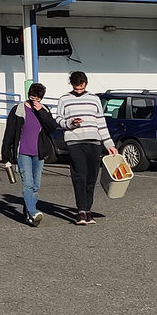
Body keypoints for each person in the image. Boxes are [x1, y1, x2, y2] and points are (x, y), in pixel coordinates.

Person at [56, 71, 118, 225]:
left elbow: (101, 122)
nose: (79, 91)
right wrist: (70, 123)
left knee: (92, 177)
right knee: (80, 175)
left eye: (81, 88)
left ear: (86, 84)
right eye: (76, 88)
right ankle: (81, 211)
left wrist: (109, 144)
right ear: (71, 84)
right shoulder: (64, 99)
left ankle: (88, 210)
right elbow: (58, 119)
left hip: (94, 142)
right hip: (74, 142)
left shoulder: (94, 99)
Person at [1, 82, 61, 226]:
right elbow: (9, 134)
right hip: (23, 152)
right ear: (29, 95)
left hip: (39, 153)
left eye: (39, 98)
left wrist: (41, 111)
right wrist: (6, 157)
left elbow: (52, 126)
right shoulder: (18, 110)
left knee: (36, 185)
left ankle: (28, 215)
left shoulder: (44, 109)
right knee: (27, 184)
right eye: (33, 97)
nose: (35, 100)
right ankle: (33, 212)